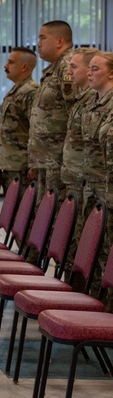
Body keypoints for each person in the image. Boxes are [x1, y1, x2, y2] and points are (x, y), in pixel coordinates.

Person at [27, 20, 78, 203]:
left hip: (59, 160)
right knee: (45, 219)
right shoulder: (54, 69)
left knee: (55, 222)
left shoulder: (69, 68)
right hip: (47, 159)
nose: (38, 43)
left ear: (59, 41)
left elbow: (76, 114)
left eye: (42, 38)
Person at [57, 47, 98, 270]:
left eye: (73, 67)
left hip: (86, 181)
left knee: (83, 243)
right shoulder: (81, 98)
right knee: (72, 238)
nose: (68, 72)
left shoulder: (94, 100)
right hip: (73, 179)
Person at [79, 52, 113, 296]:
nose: (89, 73)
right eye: (88, 68)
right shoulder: (92, 101)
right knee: (96, 250)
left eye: (95, 69)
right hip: (93, 185)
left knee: (107, 253)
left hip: (106, 187)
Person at [0, 47, 39, 192]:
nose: (5, 66)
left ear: (24, 66)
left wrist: (34, 165)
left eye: (10, 62)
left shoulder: (31, 92)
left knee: (21, 213)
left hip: (22, 167)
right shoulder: (16, 90)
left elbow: (36, 131)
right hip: (10, 164)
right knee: (11, 212)